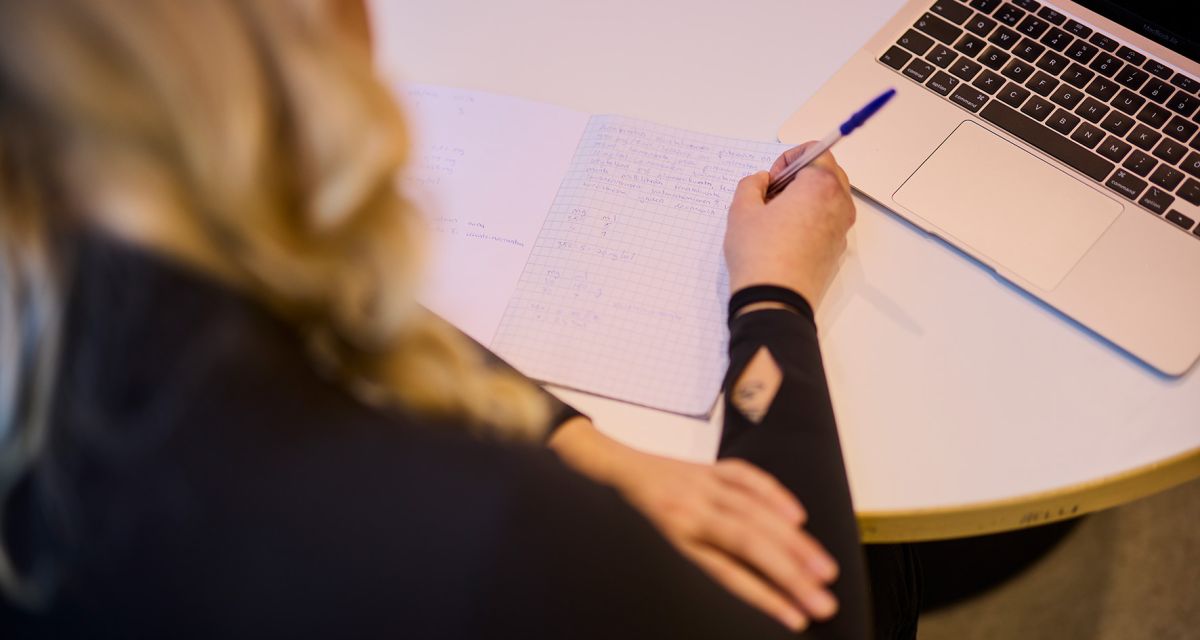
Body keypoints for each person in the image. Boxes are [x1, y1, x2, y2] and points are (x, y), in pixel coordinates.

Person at [0, 0, 918, 637]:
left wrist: (585, 446)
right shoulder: (493, 530)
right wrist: (773, 294)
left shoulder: (68, 305)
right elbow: (808, 614)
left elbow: (309, 306)